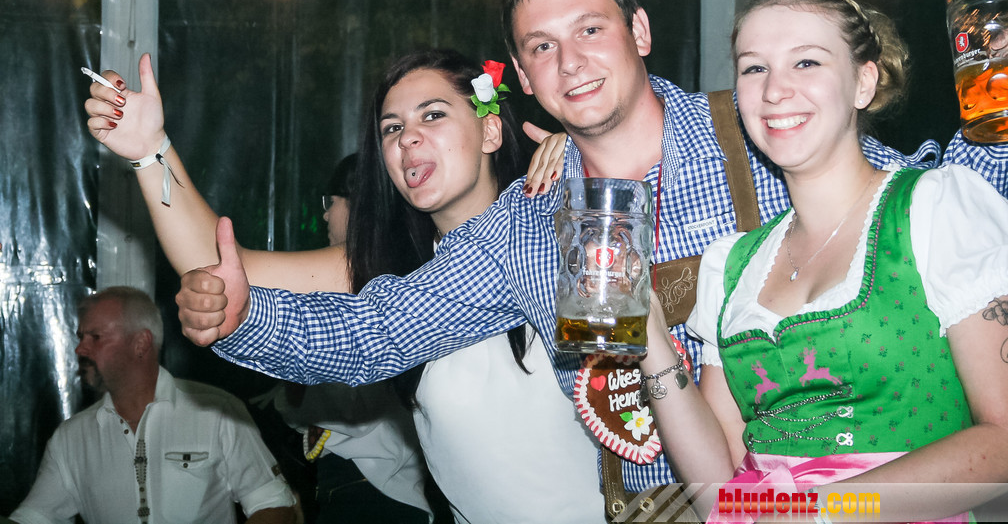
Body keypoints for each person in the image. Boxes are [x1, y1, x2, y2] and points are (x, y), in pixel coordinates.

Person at [169, 0, 1008, 500]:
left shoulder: (764, 125)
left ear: (639, 30)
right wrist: (244, 319)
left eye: (589, 29)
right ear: (524, 80)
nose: (569, 61)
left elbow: (931, 206)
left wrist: (1007, 98)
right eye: (541, 47)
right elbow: (377, 330)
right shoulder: (523, 225)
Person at [84, 49, 605, 523]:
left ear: (491, 132)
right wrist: (149, 151)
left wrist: (590, 164)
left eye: (432, 115)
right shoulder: (388, 270)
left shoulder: (557, 227)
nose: (407, 138)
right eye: (391, 128)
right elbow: (222, 269)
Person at [638, 0, 1008, 521]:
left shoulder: (935, 208)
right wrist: (649, 336)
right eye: (754, 68)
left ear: (864, 82)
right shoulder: (732, 266)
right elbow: (719, 490)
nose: (775, 90)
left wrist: (822, 509)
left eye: (807, 62)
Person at [10, 286, 296, 524]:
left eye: (95, 337)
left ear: (141, 343)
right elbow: (34, 517)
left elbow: (274, 504)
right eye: (80, 337)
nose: (80, 349)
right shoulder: (70, 438)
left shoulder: (217, 411)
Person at [276, 152, 435, 523]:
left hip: (374, 490)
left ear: (358, 204)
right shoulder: (369, 280)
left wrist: (299, 361)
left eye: (330, 202)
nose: (325, 215)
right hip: (351, 486)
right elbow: (299, 408)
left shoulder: (382, 288)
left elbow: (353, 401)